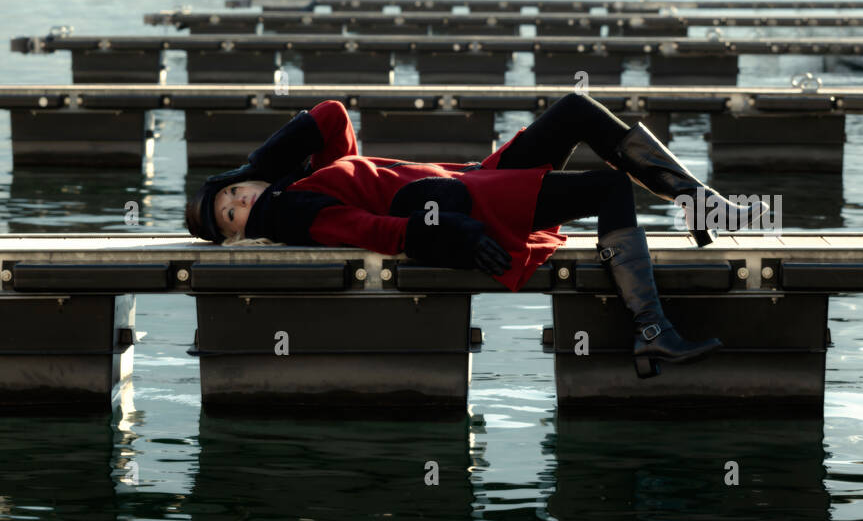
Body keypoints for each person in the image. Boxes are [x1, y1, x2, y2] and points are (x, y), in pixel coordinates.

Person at [185, 93, 767, 379]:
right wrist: (452, 237)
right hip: (468, 208)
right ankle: (653, 331)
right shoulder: (293, 214)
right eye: (232, 216)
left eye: (232, 193)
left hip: (474, 181)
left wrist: (251, 166)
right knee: (608, 188)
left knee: (578, 110)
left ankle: (700, 206)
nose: (240, 202)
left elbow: (331, 117)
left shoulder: (305, 183)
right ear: (241, 239)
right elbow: (373, 228)